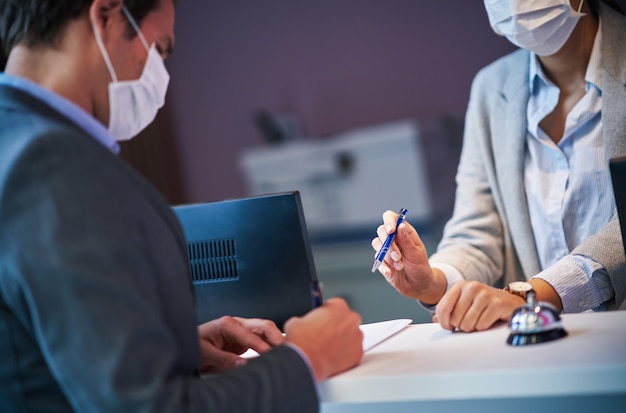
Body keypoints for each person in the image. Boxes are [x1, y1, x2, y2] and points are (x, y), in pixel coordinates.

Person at [0, 1, 363, 412]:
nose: (160, 73)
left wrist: (173, 346)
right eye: (159, 48)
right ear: (106, 17)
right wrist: (308, 357)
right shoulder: (54, 165)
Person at [372, 0, 626, 333]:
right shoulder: (491, 88)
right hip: (535, 349)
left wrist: (529, 297)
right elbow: (479, 230)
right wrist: (431, 281)